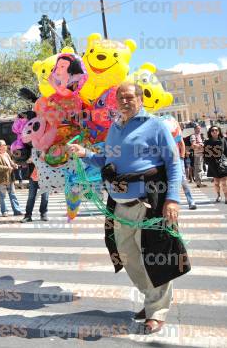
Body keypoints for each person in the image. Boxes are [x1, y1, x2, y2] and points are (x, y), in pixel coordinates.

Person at [68, 82, 189, 335]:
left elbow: (173, 162)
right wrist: (85, 153)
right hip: (119, 205)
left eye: (129, 97)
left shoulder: (155, 125)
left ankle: (156, 310)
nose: (124, 101)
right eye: (120, 98)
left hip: (149, 203)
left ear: (140, 99)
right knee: (126, 255)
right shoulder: (115, 127)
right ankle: (151, 297)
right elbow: (107, 161)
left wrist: (173, 199)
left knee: (156, 256)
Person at [0, 139, 23, 217]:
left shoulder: (6, 154)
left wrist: (14, 165)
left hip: (10, 177)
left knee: (13, 195)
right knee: (3, 196)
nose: (6, 146)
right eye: (4, 145)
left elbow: (11, 162)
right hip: (2, 179)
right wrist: (7, 168)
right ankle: (4, 211)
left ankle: (17, 210)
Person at [22, 151, 49, 222]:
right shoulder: (32, 150)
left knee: (45, 197)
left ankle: (43, 214)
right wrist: (30, 159)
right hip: (33, 177)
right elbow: (25, 161)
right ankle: (28, 215)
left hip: (45, 178)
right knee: (31, 197)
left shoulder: (48, 150)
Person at [203, 125, 227, 203]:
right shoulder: (207, 141)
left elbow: (226, 151)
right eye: (212, 130)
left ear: (219, 131)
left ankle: (226, 197)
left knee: (224, 182)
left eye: (216, 130)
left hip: (222, 163)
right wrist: (206, 162)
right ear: (210, 132)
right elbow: (205, 153)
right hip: (212, 163)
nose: (214, 131)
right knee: (216, 182)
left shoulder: (223, 140)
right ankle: (218, 195)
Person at [177, 139, 197, 210]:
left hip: (177, 158)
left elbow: (181, 143)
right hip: (164, 159)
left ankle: (191, 201)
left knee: (183, 180)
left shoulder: (174, 128)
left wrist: (182, 157)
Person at [190, 123, 207, 187]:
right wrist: (201, 145)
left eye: (199, 128)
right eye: (197, 128)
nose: (199, 130)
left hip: (202, 153)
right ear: (194, 129)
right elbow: (193, 145)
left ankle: (200, 182)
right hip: (197, 154)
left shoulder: (201, 136)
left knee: (201, 168)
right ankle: (198, 183)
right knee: (198, 168)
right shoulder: (193, 136)